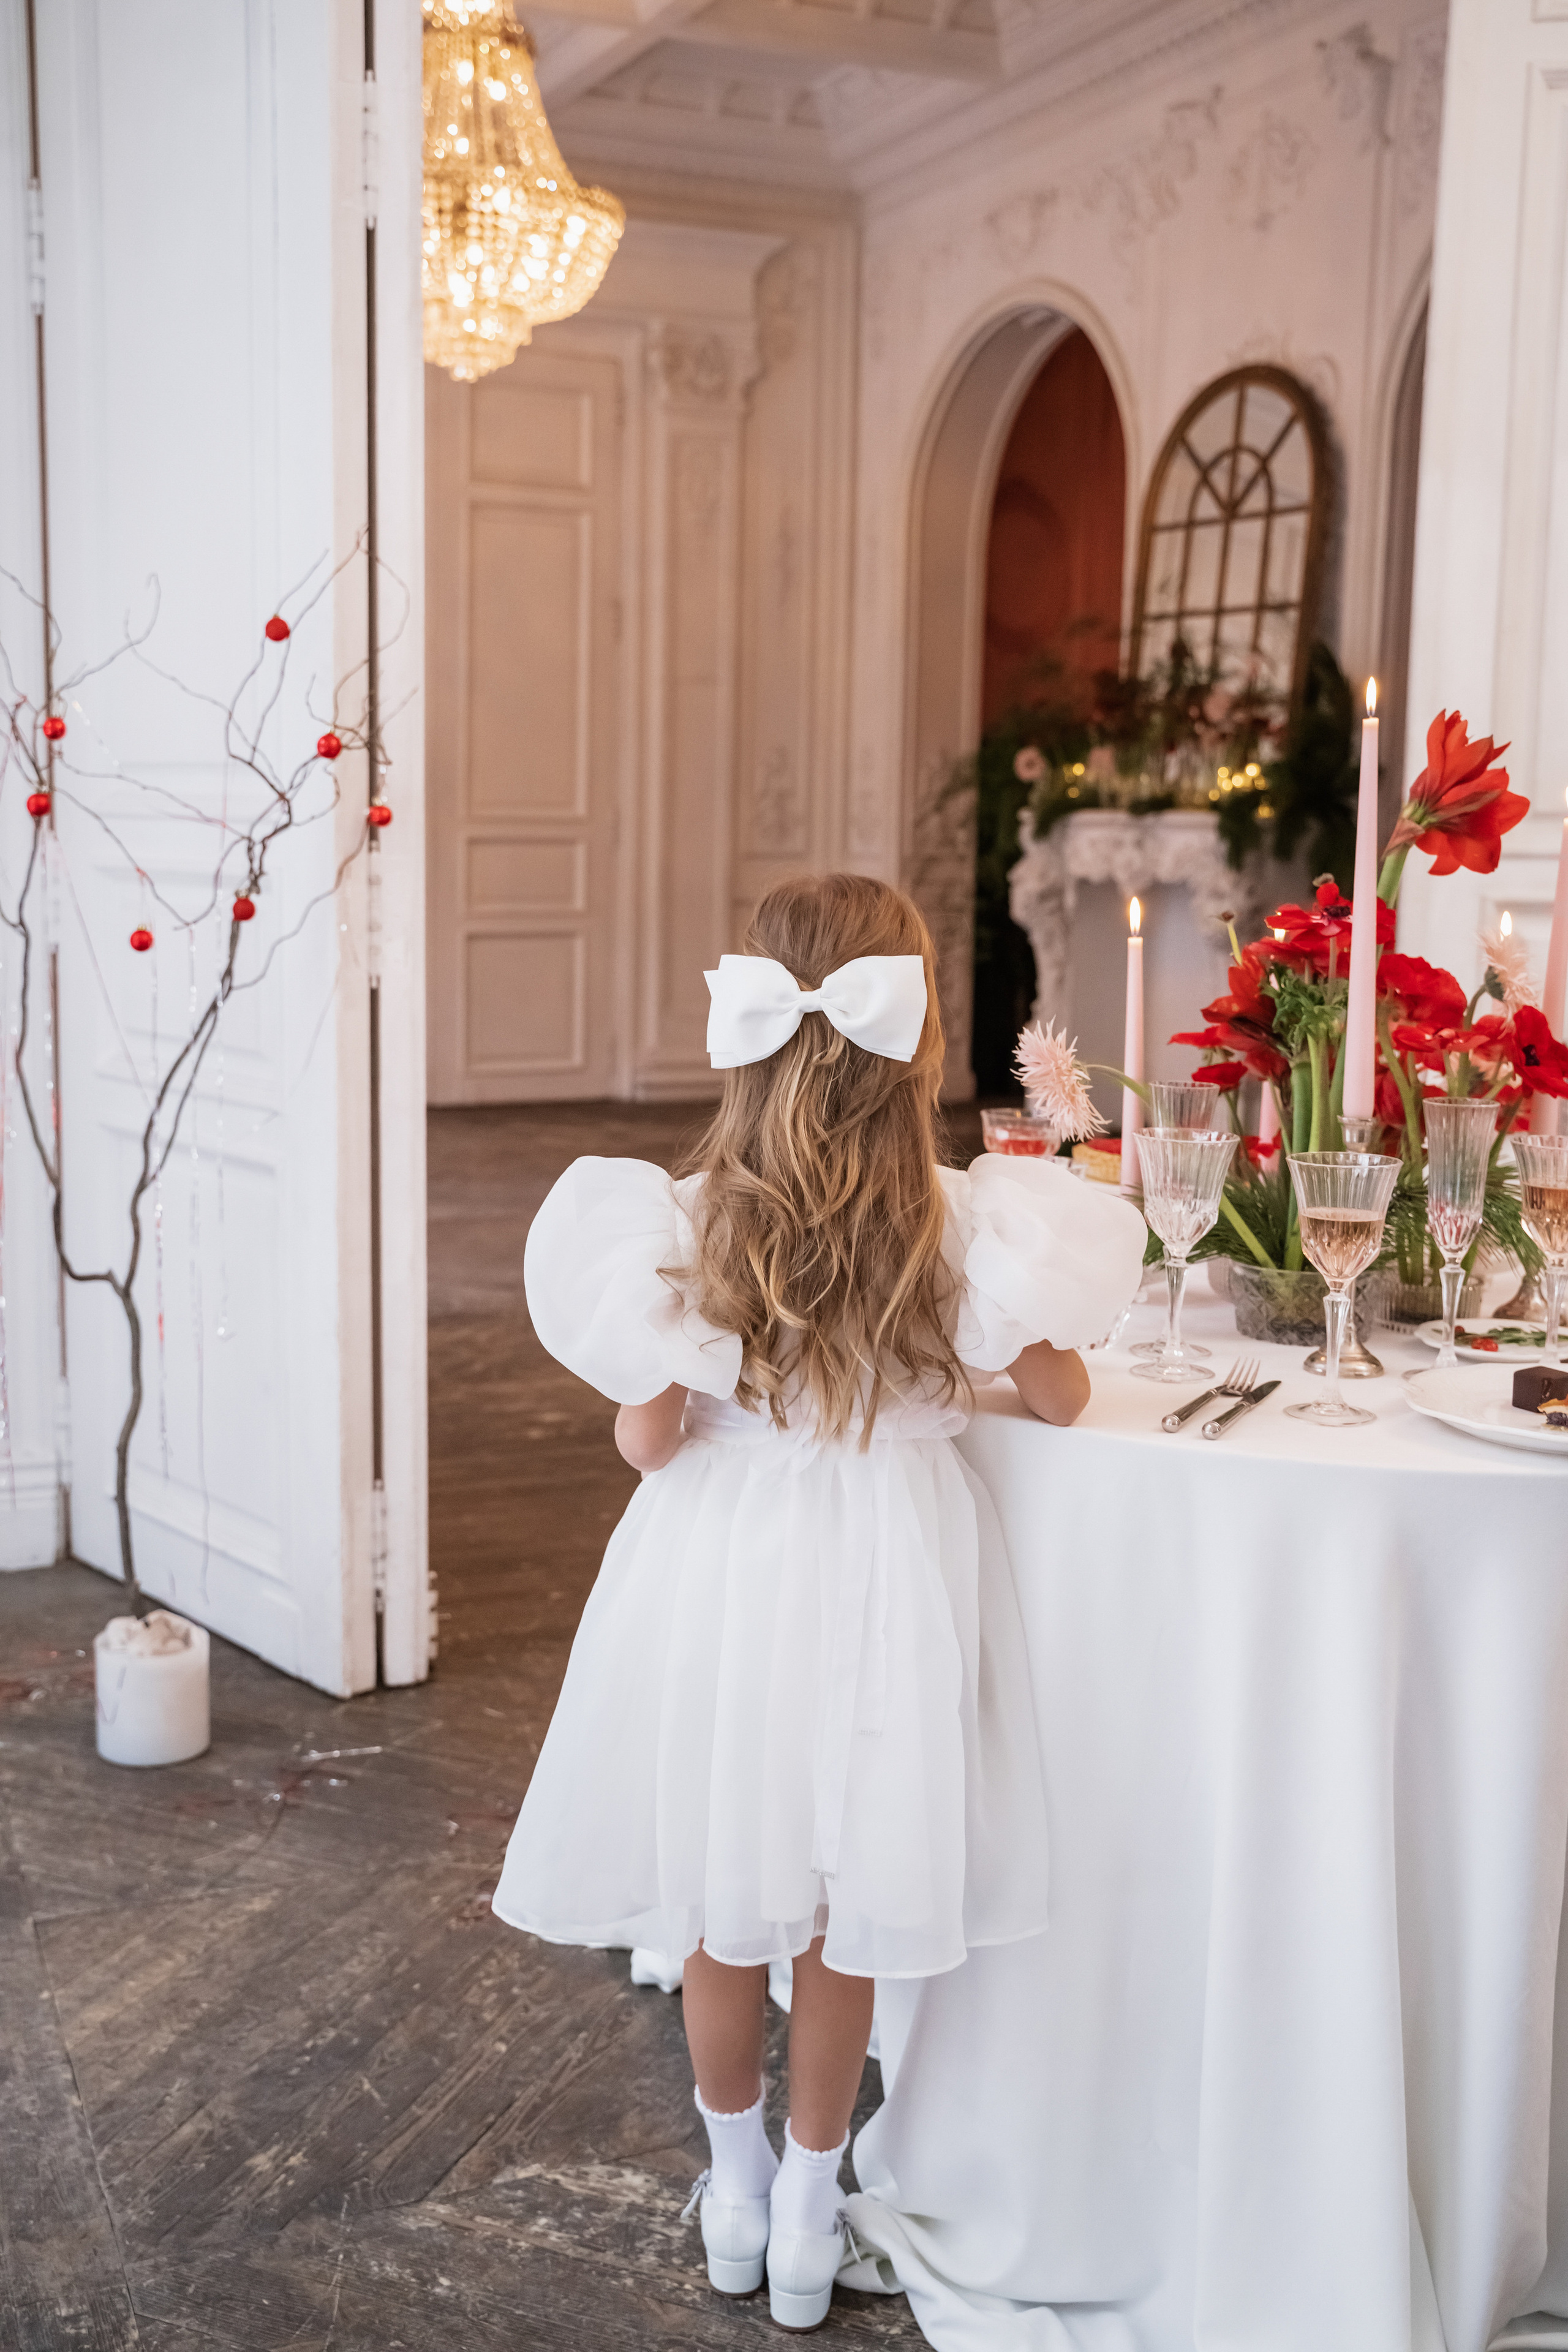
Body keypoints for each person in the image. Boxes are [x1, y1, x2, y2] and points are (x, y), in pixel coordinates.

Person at [492, 873, 1145, 2329]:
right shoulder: (965, 1221)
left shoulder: (685, 1220)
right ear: (910, 1039)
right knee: (842, 1916)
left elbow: (650, 1439)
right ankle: (807, 2203)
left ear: (743, 1027)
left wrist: (710, 1404)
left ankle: (728, 2191)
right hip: (889, 1572)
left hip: (728, 1570)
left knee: (728, 1906)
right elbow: (1059, 1390)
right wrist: (955, 1369)